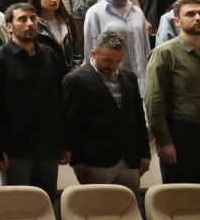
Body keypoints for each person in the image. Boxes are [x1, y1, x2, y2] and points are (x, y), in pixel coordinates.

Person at [0, 3, 67, 192]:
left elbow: (59, 102)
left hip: (48, 147)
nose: (30, 23)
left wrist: (64, 143)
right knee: (18, 203)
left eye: (33, 18)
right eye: (22, 19)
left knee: (46, 201)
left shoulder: (50, 55)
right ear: (9, 26)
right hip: (15, 150)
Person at [62, 30, 149, 190]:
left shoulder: (129, 77)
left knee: (129, 203)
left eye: (118, 61)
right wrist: (77, 162)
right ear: (93, 54)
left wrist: (145, 154)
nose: (113, 66)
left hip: (130, 158)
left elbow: (138, 118)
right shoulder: (76, 79)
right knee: (99, 203)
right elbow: (71, 123)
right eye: (108, 60)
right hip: (96, 160)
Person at [144, 0, 200, 182]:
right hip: (181, 135)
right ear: (177, 21)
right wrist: (164, 142)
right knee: (180, 193)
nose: (197, 17)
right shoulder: (165, 53)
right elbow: (154, 102)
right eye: (190, 14)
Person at [82, 0, 151, 80]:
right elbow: (90, 48)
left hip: (140, 77)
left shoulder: (136, 11)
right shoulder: (95, 13)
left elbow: (145, 47)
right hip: (110, 78)